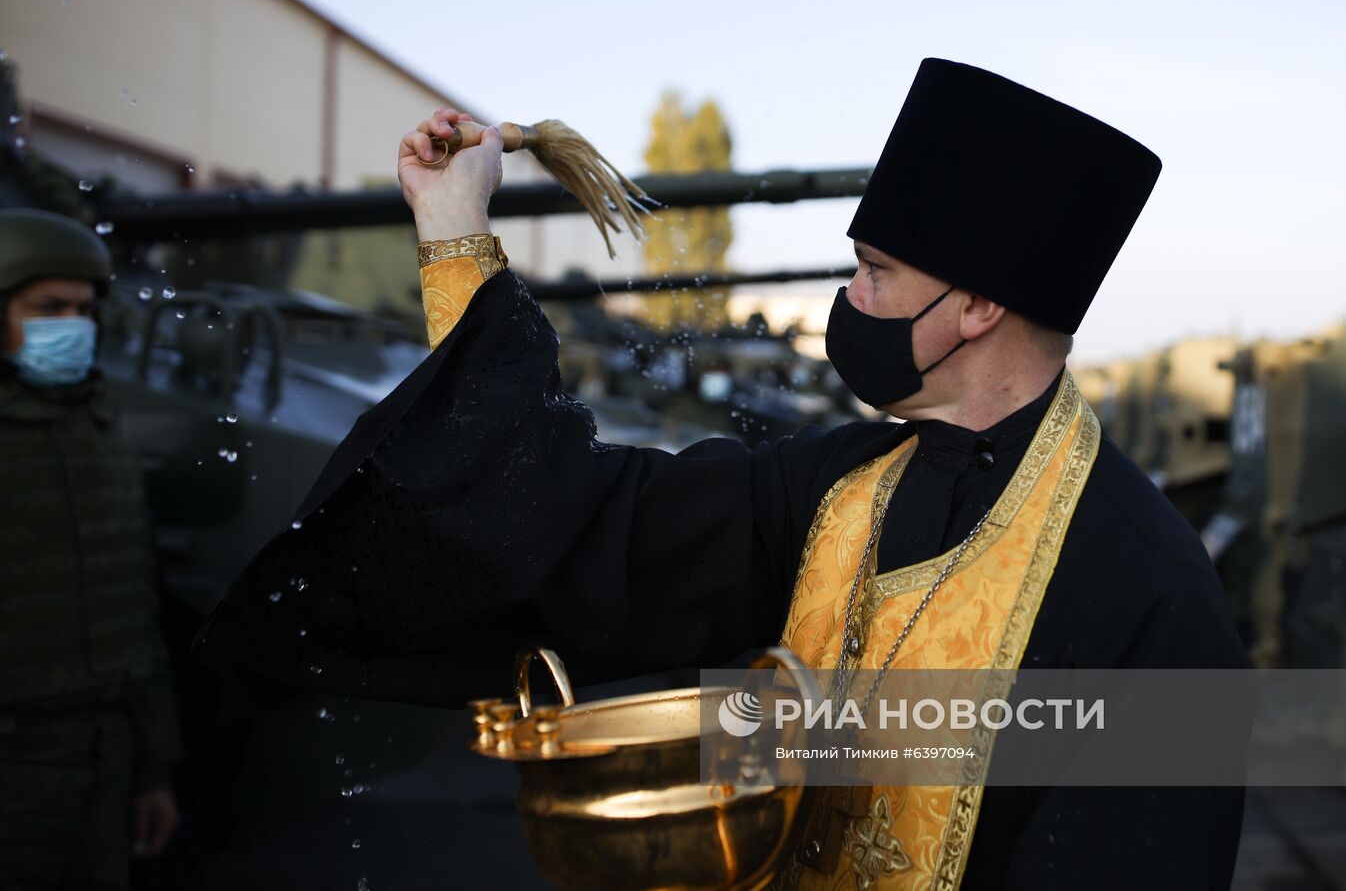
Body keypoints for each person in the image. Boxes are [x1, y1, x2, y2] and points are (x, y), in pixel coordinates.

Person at [197, 59, 1246, 888]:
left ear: (974, 309)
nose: (848, 297)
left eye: (873, 271)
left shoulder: (1154, 601)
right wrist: (454, 231)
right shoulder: (837, 482)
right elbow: (586, 523)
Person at [0, 209, 181, 890]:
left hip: (104, 763)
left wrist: (152, 771)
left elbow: (136, 611)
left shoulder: (98, 428)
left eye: (82, 308)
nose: (70, 325)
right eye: (48, 307)